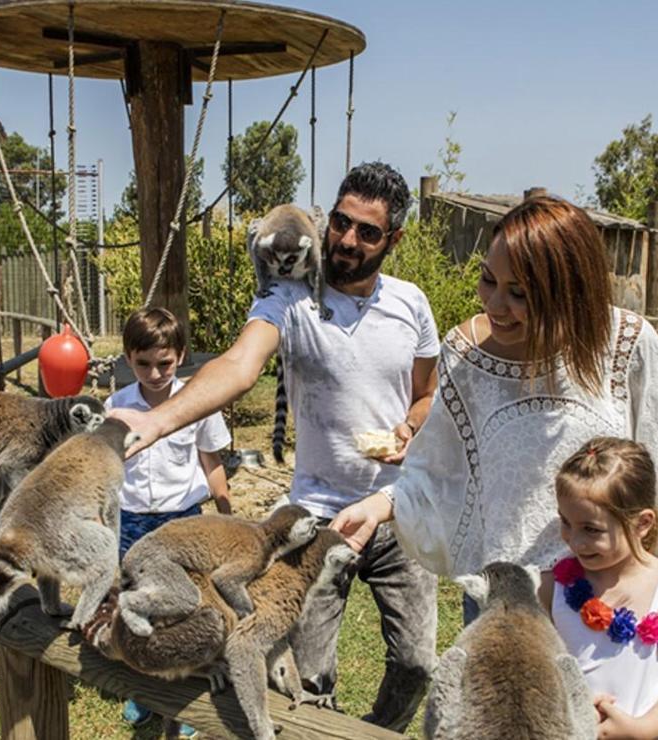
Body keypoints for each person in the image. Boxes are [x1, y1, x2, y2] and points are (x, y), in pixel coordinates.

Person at [109, 162, 440, 731]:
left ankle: (376, 732)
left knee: (416, 663)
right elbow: (238, 366)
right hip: (313, 518)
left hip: (396, 507)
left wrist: (411, 428)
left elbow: (425, 393)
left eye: (367, 231)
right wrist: (159, 421)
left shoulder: (410, 304)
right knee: (302, 674)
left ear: (394, 239)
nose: (347, 240)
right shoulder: (289, 300)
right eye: (340, 222)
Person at [332, 195, 658, 663]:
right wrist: (378, 506)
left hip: (616, 604)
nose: (496, 304)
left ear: (567, 292)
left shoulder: (628, 347)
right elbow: (437, 471)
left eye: (519, 293)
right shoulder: (467, 358)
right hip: (503, 607)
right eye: (488, 280)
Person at [106, 307, 232, 736]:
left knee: (187, 606)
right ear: (128, 358)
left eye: (165, 363)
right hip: (135, 519)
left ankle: (186, 692)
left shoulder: (199, 401)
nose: (156, 373)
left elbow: (210, 460)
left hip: (184, 520)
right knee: (138, 605)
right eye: (144, 364)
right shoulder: (117, 406)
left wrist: (226, 509)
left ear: (180, 356)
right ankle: (144, 688)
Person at [545, 436, 658, 739]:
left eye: (591, 529)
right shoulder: (553, 584)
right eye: (566, 522)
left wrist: (642, 729)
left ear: (642, 523)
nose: (574, 540)